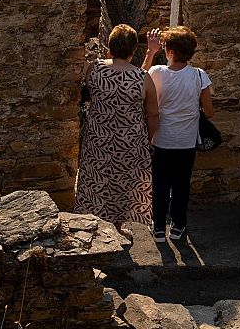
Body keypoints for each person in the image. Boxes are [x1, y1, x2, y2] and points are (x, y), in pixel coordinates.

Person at [75, 24, 157, 234]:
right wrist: (149, 137)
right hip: (130, 142)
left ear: (110, 46)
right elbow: (153, 114)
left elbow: (85, 94)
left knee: (97, 182)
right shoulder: (142, 78)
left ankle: (94, 228)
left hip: (98, 139)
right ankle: (117, 228)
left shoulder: (94, 69)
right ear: (132, 50)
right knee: (123, 186)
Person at [141, 25, 214, 243]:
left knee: (160, 184)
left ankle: (159, 228)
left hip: (161, 139)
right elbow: (209, 112)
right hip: (186, 141)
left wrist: (150, 52)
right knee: (182, 184)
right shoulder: (199, 76)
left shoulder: (156, 73)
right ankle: (178, 225)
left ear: (170, 51)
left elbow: (137, 81)